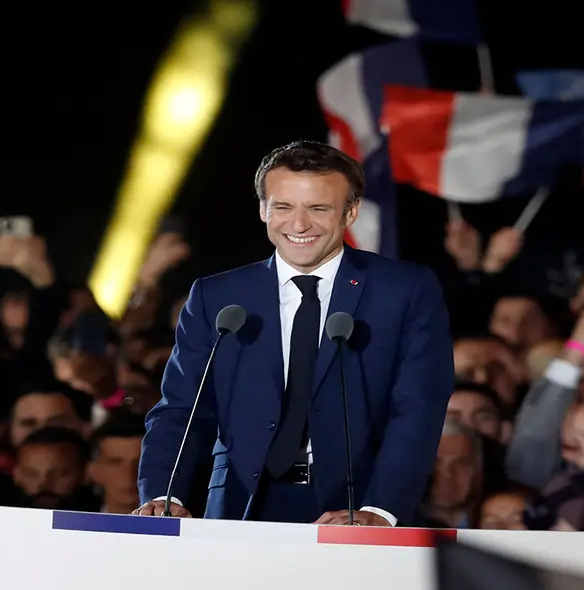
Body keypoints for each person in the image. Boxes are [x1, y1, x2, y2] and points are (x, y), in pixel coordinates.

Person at [135, 140, 454, 525]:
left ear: (350, 212)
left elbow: (418, 408)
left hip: (354, 507)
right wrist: (163, 494)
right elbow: (182, 407)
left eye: (318, 208)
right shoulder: (217, 296)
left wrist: (379, 509)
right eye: (283, 207)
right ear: (262, 209)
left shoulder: (404, 290)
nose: (298, 224)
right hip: (240, 506)